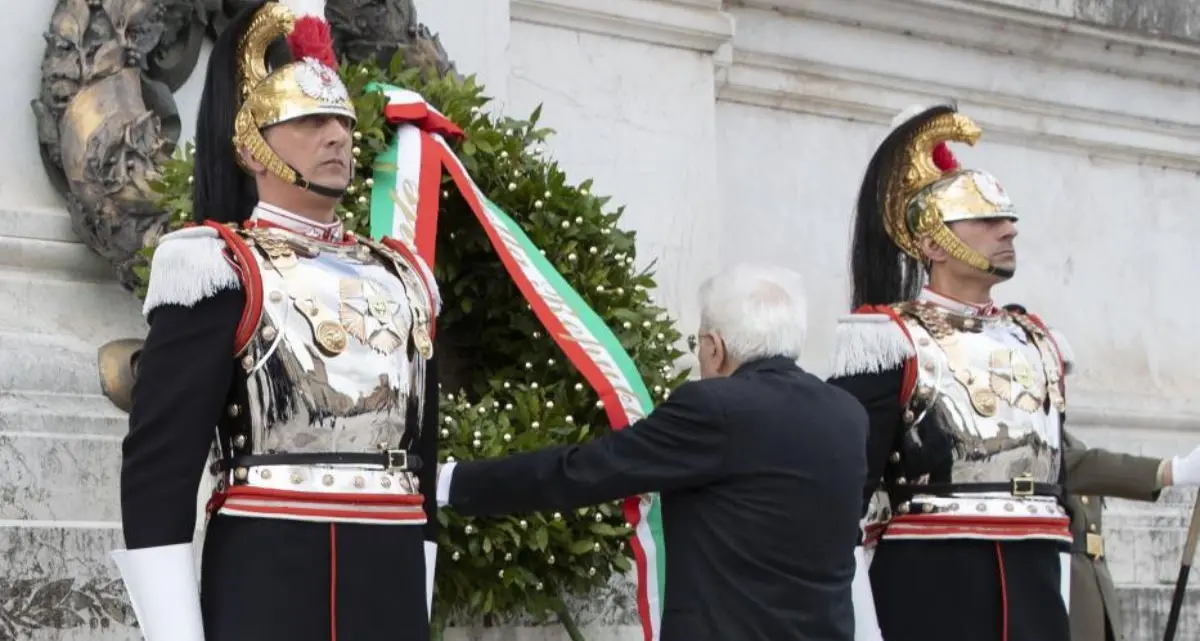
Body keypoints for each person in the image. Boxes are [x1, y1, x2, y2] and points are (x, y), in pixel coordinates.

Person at [109, 3, 441, 640]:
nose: (337, 136)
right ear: (252, 145)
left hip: (390, 580)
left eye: (342, 120)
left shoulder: (403, 276)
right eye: (312, 120)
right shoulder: (215, 265)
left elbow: (419, 463)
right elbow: (159, 471)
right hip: (270, 578)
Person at [437, 265, 867, 641]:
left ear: (715, 347)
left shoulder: (715, 408)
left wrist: (451, 482)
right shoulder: (847, 414)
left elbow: (584, 471)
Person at [828, 103, 1076, 641]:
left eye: (1007, 217)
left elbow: (1060, 487)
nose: (1008, 229)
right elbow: (847, 487)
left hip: (1034, 581)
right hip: (932, 580)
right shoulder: (887, 339)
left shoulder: (1036, 338)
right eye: (986, 219)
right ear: (933, 242)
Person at [1063, 431, 1200, 641]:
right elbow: (1076, 466)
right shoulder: (1029, 433)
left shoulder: (1069, 439)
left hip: (1095, 603)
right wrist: (1174, 471)